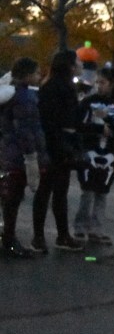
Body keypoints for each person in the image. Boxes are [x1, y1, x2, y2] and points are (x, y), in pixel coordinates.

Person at [73, 65, 114, 244]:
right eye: (97, 82)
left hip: (110, 154)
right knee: (87, 191)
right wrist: (98, 128)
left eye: (103, 83)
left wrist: (108, 119)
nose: (99, 86)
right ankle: (80, 227)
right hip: (89, 151)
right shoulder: (89, 102)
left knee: (102, 192)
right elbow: (78, 124)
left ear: (112, 84)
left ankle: (96, 229)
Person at [33, 49, 85, 252]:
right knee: (53, 191)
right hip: (57, 145)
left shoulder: (51, 85)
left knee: (50, 191)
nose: (81, 64)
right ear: (70, 66)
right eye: (78, 61)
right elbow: (57, 120)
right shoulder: (61, 88)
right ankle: (56, 236)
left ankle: (46, 236)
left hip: (54, 144)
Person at [0, 58, 47, 258]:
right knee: (13, 198)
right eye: (36, 73)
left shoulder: (9, 95)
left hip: (8, 152)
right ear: (27, 75)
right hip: (19, 156)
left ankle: (7, 237)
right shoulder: (25, 98)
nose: (39, 76)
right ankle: (9, 239)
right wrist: (31, 156)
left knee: (8, 197)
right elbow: (26, 130)